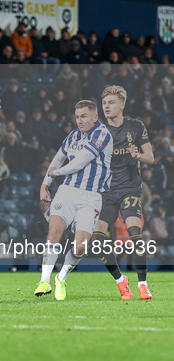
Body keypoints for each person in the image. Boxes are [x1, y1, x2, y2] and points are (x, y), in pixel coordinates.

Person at [35, 100, 113, 300]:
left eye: (84, 116)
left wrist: (57, 173)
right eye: (77, 117)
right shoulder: (73, 136)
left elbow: (80, 162)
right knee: (54, 232)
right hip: (67, 191)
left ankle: (61, 277)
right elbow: (58, 158)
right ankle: (44, 281)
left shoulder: (102, 134)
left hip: (91, 197)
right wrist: (45, 184)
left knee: (80, 246)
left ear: (95, 117)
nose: (80, 121)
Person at [87, 86, 154, 300]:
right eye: (104, 102)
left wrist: (137, 156)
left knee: (135, 234)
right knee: (96, 242)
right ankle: (120, 280)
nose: (107, 106)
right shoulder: (96, 131)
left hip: (129, 188)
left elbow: (150, 157)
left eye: (111, 102)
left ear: (122, 104)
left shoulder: (136, 126)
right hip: (106, 192)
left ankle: (143, 284)